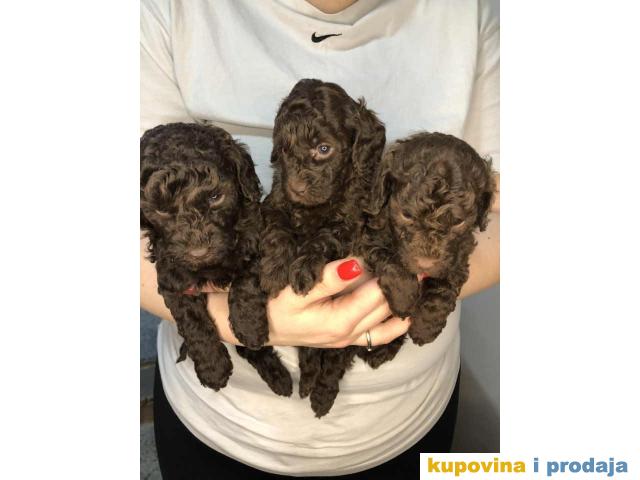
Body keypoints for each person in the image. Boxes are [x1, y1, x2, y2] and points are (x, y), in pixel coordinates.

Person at [140, 0, 500, 477]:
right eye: (287, 155)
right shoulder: (160, 11)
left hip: (407, 417)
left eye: (322, 151)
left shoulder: (475, 13)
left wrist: (410, 299)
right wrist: (234, 322)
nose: (296, 181)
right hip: (221, 427)